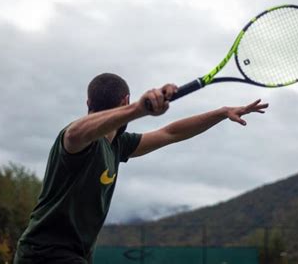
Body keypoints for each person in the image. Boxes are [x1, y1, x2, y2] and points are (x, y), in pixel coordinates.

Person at [14, 73, 268, 264]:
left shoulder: (119, 145)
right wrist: (137, 108)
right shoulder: (79, 139)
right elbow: (75, 133)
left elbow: (171, 133)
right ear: (125, 100)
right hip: (44, 254)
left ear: (87, 101)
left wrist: (222, 112)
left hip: (67, 255)